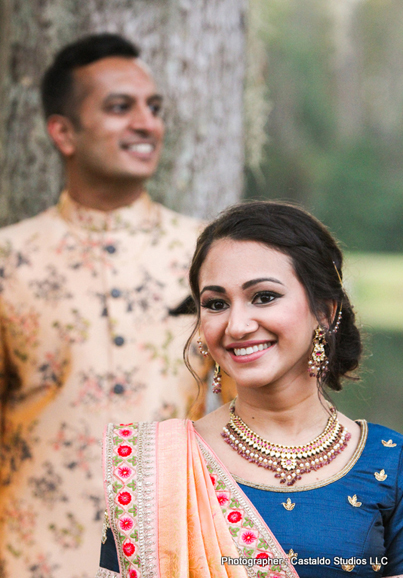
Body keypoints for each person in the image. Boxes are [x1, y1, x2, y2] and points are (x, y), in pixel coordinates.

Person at [97, 201, 403, 578]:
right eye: (216, 304)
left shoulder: (390, 464)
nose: (237, 325)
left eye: (264, 296)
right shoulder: (153, 467)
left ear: (324, 311)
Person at [0, 33, 211, 578]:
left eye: (154, 108)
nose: (147, 123)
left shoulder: (208, 254)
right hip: (33, 558)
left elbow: (252, 412)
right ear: (63, 132)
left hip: (173, 555)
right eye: (121, 108)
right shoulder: (10, 258)